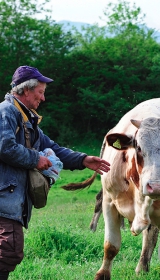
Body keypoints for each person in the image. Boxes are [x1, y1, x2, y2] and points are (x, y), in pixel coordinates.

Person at [0, 66, 110, 279]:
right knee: (8, 251)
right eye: (40, 92)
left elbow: (54, 148)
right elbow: (4, 147)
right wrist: (35, 158)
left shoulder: (27, 119)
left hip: (9, 198)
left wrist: (82, 159)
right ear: (25, 91)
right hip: (4, 198)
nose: (43, 98)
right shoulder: (7, 112)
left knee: (7, 251)